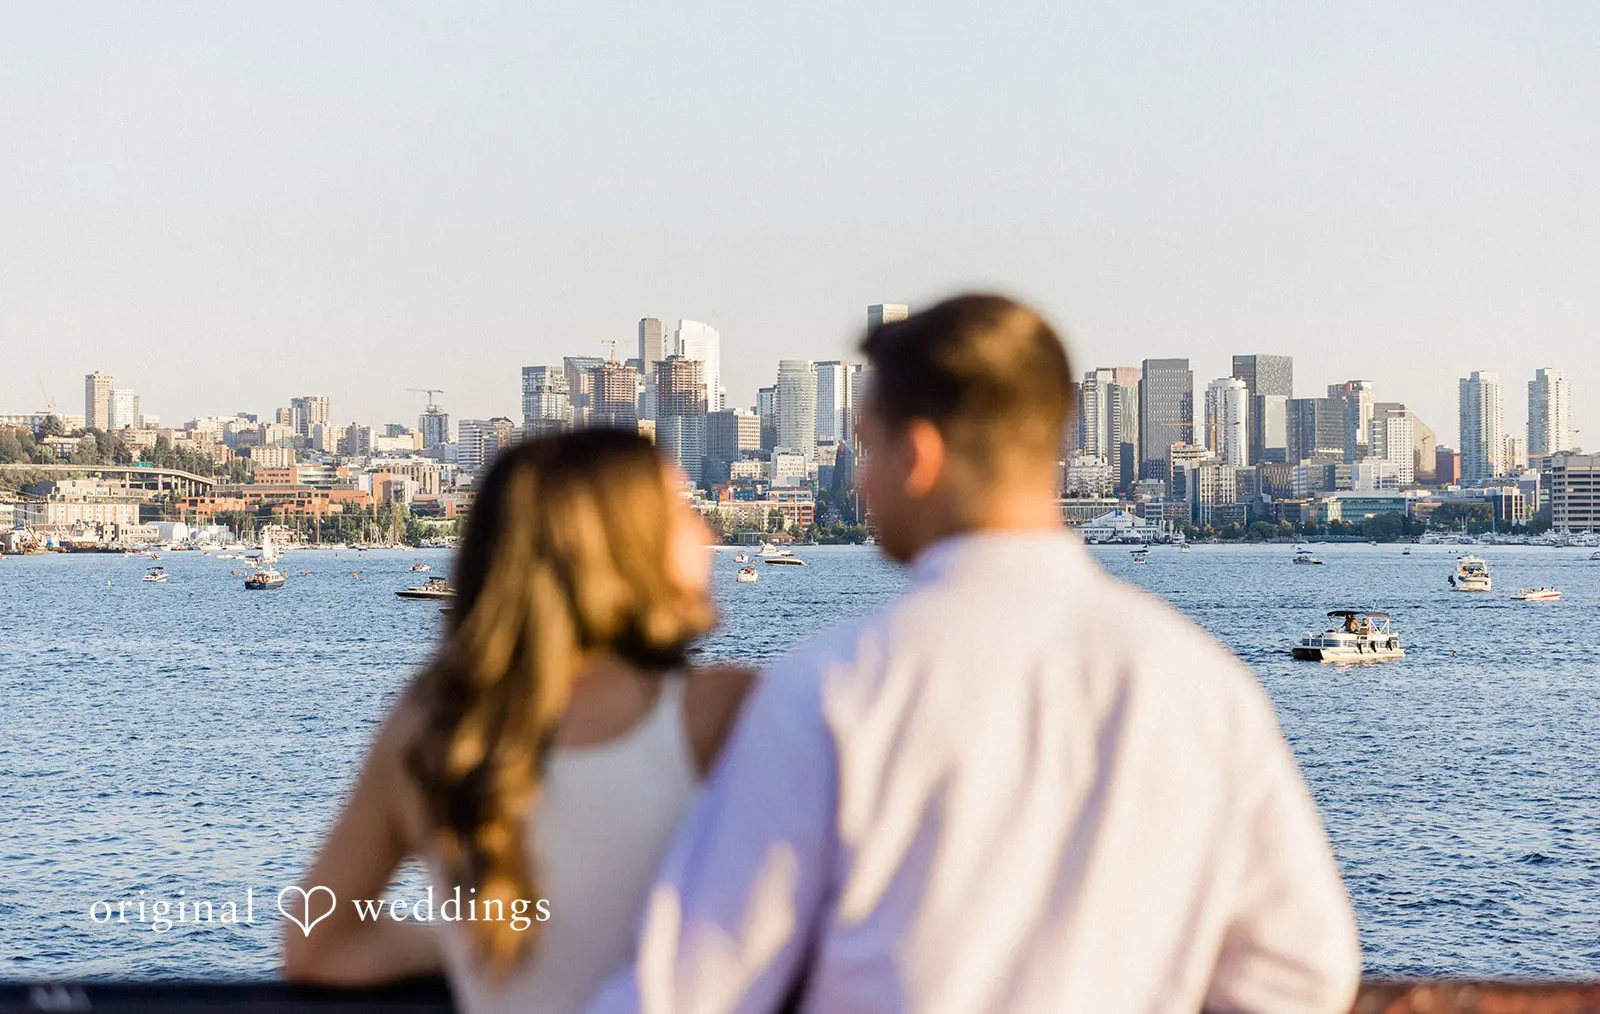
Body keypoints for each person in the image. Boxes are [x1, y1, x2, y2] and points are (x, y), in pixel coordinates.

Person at [588, 294, 1360, 1014]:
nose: (862, 480)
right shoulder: (1204, 687)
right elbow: (1305, 970)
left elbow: (690, 988)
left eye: (868, 448)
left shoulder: (834, 690)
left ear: (919, 455)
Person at [282, 429, 754, 1014]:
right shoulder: (721, 711)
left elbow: (318, 942)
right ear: (620, 543)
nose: (708, 536)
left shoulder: (432, 724)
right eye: (681, 512)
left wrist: (473, 943)